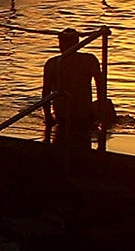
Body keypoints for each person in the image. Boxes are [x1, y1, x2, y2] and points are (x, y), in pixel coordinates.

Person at [42, 27, 106, 162]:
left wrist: (48, 117)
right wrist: (100, 111)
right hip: (84, 115)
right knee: (109, 106)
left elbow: (45, 94)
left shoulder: (52, 63)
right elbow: (100, 87)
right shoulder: (89, 60)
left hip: (61, 115)